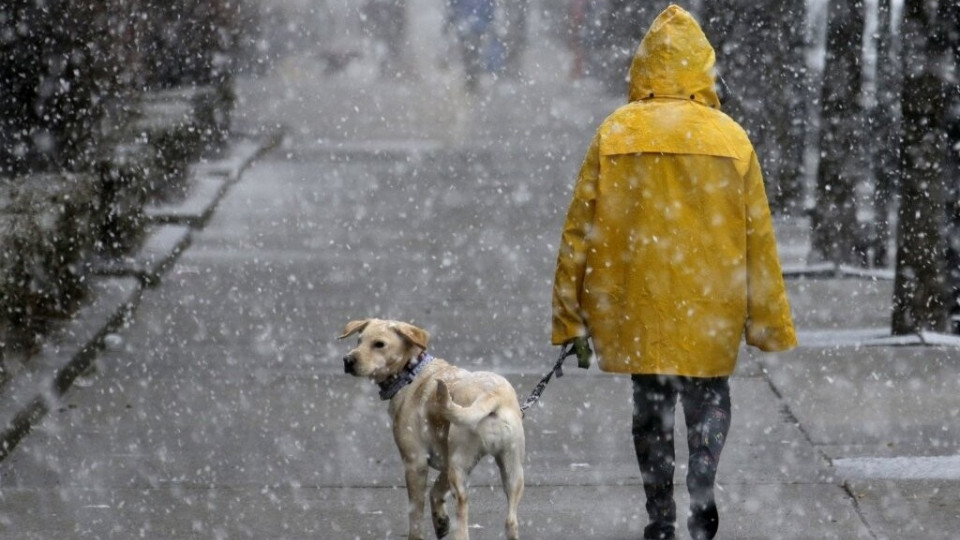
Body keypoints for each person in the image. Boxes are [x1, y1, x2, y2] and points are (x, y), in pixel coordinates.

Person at [551, 5, 797, 540]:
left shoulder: (615, 133)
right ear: (702, 69)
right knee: (708, 396)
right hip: (711, 300)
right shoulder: (731, 138)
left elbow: (579, 234)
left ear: (642, 68)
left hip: (640, 302)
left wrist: (571, 318)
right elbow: (759, 239)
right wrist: (767, 322)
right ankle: (702, 490)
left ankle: (659, 517)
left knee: (651, 407)